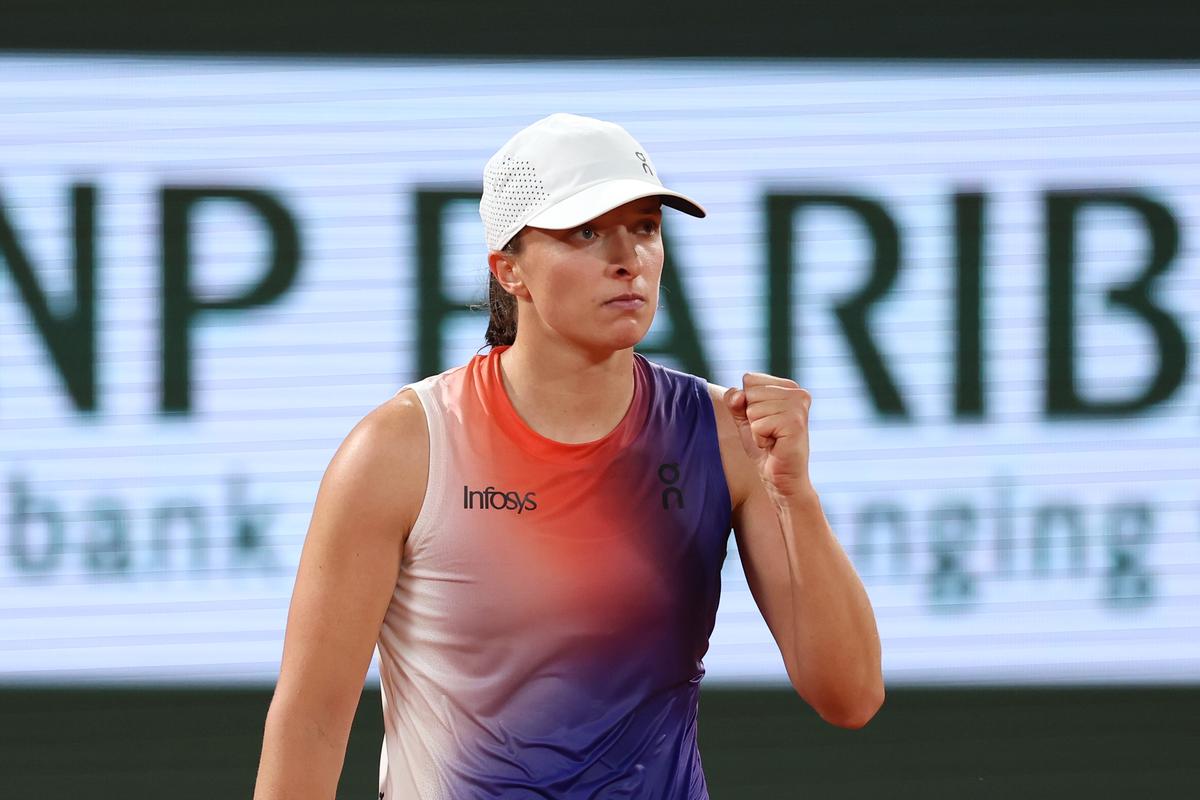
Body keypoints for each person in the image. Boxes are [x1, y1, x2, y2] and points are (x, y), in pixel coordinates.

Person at [253, 113, 883, 800]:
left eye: (644, 227)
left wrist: (796, 496)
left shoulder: (728, 436)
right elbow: (311, 721)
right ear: (510, 270)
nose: (628, 258)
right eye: (586, 232)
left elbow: (849, 696)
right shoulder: (402, 448)